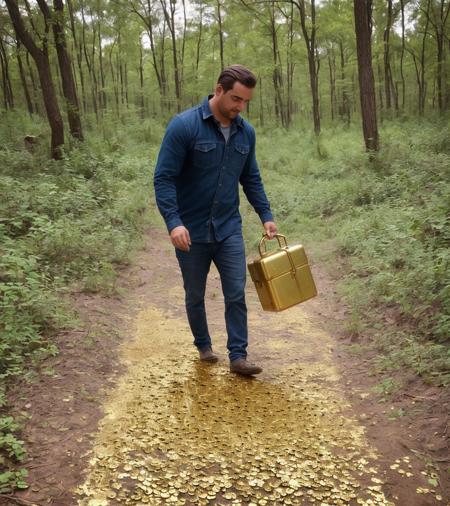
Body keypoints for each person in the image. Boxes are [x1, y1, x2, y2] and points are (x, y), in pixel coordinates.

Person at [154, 64, 277, 376]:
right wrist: (174, 222)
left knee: (236, 291)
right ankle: (204, 346)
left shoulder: (245, 132)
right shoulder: (183, 126)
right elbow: (164, 178)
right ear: (219, 90)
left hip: (228, 229)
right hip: (190, 232)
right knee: (195, 294)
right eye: (236, 99)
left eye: (246, 101)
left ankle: (238, 356)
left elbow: (251, 178)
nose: (240, 107)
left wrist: (266, 215)